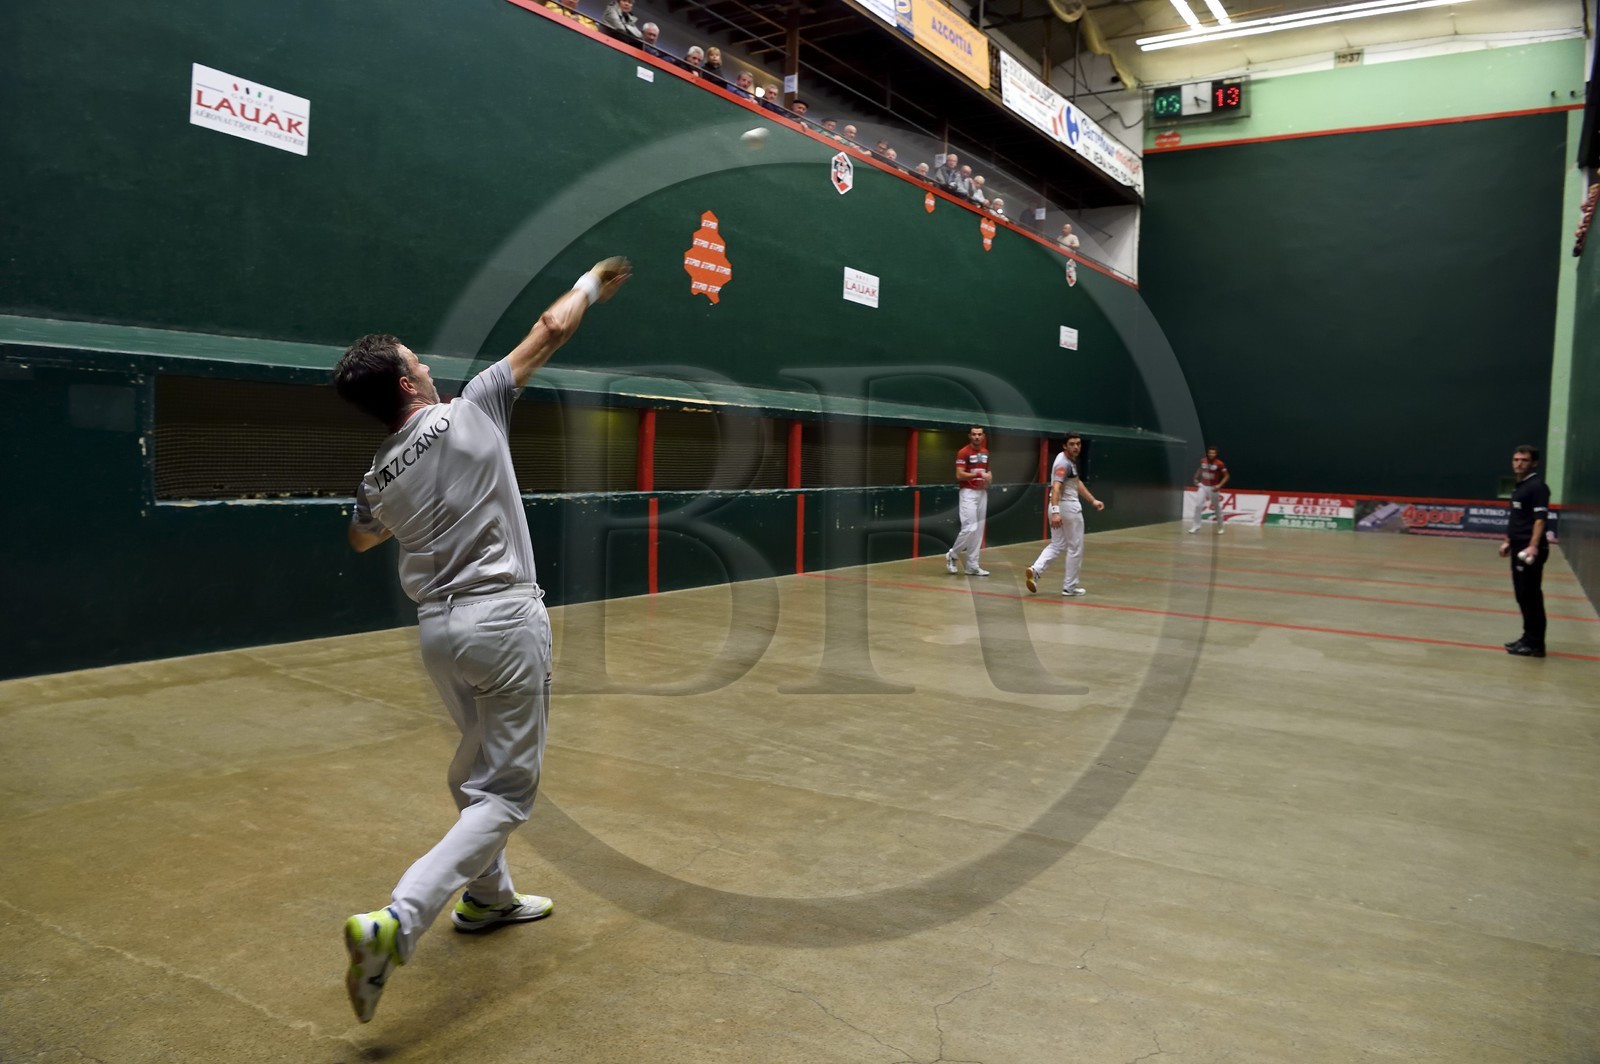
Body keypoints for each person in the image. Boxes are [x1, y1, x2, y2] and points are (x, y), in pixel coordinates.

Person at [332, 256, 633, 1024]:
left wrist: (394, 502)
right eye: (415, 360)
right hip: (502, 621)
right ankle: (398, 920)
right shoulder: (474, 409)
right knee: (505, 791)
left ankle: (490, 900)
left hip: (439, 633)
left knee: (474, 768)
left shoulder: (375, 475)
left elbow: (363, 540)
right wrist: (592, 284)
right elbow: (552, 327)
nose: (426, 364)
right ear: (406, 384)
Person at [1026, 432, 1104, 597]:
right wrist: (1056, 512)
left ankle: (1035, 570)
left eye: (1078, 444)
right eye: (1072, 444)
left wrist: (1092, 500)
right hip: (1067, 509)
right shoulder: (1064, 463)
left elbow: (1077, 483)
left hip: (1059, 508)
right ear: (1064, 446)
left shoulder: (1068, 461)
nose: (1076, 447)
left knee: (1057, 544)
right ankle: (1070, 587)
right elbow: (1056, 487)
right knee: (1075, 547)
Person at [1501, 444, 1552, 657]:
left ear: (1534, 463)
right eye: (1516, 459)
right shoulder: (1520, 487)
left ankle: (1536, 644)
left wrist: (1532, 546)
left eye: (1523, 460)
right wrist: (1507, 540)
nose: (1518, 463)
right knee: (1523, 595)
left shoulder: (1537, 487)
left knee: (1531, 596)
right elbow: (1518, 519)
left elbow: (1539, 520)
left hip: (1529, 550)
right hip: (1518, 546)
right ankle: (1527, 638)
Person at [945, 426, 992, 577]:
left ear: (983, 436)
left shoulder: (986, 453)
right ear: (969, 436)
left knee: (978, 531)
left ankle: (972, 566)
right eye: (974, 434)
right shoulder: (963, 452)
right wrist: (978, 474)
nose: (977, 437)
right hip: (968, 493)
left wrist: (988, 480)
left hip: (982, 493)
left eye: (979, 434)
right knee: (970, 528)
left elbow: (988, 472)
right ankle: (953, 554)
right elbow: (959, 475)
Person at [1189, 445, 1229, 534]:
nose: (1211, 454)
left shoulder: (1219, 464)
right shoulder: (1203, 461)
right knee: (1198, 505)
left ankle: (1221, 527)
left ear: (1216, 454)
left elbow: (1226, 476)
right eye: (1210, 453)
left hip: (1213, 488)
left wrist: (1219, 485)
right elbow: (1200, 469)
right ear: (1208, 453)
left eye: (1213, 453)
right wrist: (1196, 477)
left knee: (1216, 507)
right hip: (1203, 486)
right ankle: (1196, 526)